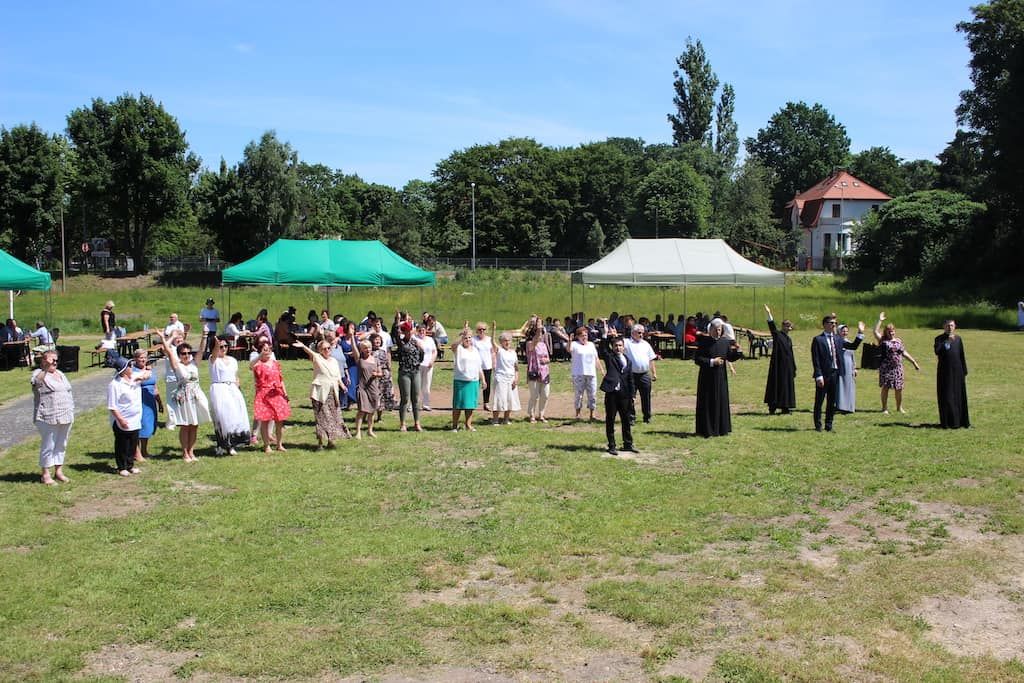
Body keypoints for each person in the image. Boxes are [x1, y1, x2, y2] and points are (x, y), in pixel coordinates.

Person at [155, 331, 211, 461]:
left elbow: (201, 350)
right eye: (183, 353)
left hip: (196, 397)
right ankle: (185, 452)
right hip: (184, 398)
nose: (186, 355)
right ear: (179, 355)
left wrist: (204, 336)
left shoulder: (194, 364)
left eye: (188, 353)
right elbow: (168, 351)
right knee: (185, 425)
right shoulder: (177, 366)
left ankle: (191, 451)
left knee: (194, 425)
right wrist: (164, 338)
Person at [294, 337, 350, 447]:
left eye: (329, 348)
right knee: (321, 417)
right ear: (320, 350)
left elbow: (337, 376)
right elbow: (311, 353)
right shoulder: (318, 358)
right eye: (324, 349)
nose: (327, 350)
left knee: (332, 417)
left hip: (332, 393)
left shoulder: (334, 361)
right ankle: (320, 442)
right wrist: (303, 346)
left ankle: (330, 441)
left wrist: (342, 386)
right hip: (320, 393)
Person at [811, 315, 865, 432]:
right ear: (825, 324)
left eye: (835, 323)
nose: (834, 325)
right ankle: (818, 425)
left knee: (832, 401)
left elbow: (853, 346)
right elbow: (816, 359)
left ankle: (829, 425)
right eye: (831, 323)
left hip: (835, 374)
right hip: (823, 375)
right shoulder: (818, 340)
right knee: (819, 401)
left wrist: (860, 333)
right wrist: (818, 375)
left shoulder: (838, 339)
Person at [30, 349, 75, 485]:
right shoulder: (39, 373)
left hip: (65, 414)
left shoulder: (60, 373)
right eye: (52, 360)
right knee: (49, 444)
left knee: (61, 444)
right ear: (44, 361)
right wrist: (45, 368)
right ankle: (45, 474)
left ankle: (59, 471)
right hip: (47, 416)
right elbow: (36, 382)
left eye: (56, 360)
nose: (54, 362)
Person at [208, 337, 252, 454]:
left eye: (225, 346)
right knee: (222, 418)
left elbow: (235, 376)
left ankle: (231, 444)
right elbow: (214, 354)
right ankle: (221, 445)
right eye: (220, 346)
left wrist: (238, 389)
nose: (223, 348)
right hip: (219, 389)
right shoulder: (213, 359)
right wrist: (216, 345)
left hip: (232, 389)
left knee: (234, 417)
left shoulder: (233, 360)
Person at [873, 312, 921, 414]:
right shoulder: (883, 341)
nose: (891, 333)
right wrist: (880, 320)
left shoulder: (898, 341)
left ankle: (899, 408)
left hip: (897, 368)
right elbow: (875, 331)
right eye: (889, 331)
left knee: (899, 388)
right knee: (885, 388)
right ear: (886, 332)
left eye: (892, 331)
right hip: (886, 369)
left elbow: (904, 353)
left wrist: (914, 362)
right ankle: (884, 408)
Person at [694, 319, 734, 437]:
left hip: (721, 378)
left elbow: (730, 356)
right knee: (708, 403)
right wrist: (712, 361)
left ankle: (722, 429)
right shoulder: (704, 342)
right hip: (707, 378)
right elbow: (697, 359)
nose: (718, 332)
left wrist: (738, 352)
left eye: (720, 330)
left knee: (721, 401)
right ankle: (707, 429)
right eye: (716, 330)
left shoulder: (724, 342)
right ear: (710, 330)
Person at [251, 340, 290, 452]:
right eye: (264, 349)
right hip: (263, 395)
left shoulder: (275, 363)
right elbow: (250, 366)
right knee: (265, 420)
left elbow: (280, 379)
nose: (267, 352)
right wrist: (260, 356)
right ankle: (266, 445)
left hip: (277, 394)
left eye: (269, 349)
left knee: (279, 421)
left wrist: (285, 393)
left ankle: (279, 444)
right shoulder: (258, 364)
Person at [107, 357, 142, 477]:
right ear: (123, 370)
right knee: (123, 444)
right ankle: (122, 467)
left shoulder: (134, 379)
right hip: (123, 419)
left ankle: (130, 465)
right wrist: (120, 419)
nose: (132, 367)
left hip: (135, 418)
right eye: (129, 366)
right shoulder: (115, 384)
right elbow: (112, 406)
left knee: (133, 443)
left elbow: (147, 374)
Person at [600, 336, 635, 455]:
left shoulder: (628, 360)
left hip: (624, 394)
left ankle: (628, 444)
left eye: (620, 345)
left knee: (626, 419)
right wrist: (605, 336)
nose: (618, 348)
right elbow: (603, 350)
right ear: (612, 347)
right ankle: (612, 445)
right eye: (616, 346)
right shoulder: (610, 357)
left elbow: (630, 378)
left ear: (624, 347)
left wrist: (632, 394)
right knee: (610, 419)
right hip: (612, 394)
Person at [935, 319, 970, 429]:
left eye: (951, 325)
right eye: (947, 326)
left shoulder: (958, 339)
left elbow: (961, 355)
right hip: (945, 372)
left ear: (955, 327)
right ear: (944, 327)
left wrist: (964, 370)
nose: (950, 327)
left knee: (959, 395)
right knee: (947, 396)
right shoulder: (939, 339)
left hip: (958, 371)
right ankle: (948, 422)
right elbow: (937, 351)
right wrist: (948, 342)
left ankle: (962, 422)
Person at [763, 304, 796, 415]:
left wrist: (793, 367)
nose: (789, 328)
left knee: (786, 387)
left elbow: (791, 354)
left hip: (787, 367)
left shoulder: (789, 339)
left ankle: (785, 407)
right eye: (787, 325)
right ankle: (772, 406)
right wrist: (769, 313)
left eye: (790, 326)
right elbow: (771, 325)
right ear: (783, 326)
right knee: (776, 385)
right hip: (778, 366)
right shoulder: (777, 335)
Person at [451, 330, 486, 431]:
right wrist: (461, 336)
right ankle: (454, 426)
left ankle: (468, 424)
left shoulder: (475, 350)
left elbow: (479, 366)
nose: (467, 339)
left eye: (469, 337)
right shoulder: (459, 348)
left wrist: (483, 379)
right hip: (460, 380)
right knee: (458, 405)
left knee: (470, 405)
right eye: (465, 338)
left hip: (473, 380)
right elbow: (453, 346)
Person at [394, 320, 425, 432]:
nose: (408, 333)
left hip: (415, 372)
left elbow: (421, 355)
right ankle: (403, 423)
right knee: (405, 398)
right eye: (406, 331)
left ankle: (417, 423)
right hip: (404, 372)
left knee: (416, 398)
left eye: (409, 330)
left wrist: (420, 351)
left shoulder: (415, 342)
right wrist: (397, 321)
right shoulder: (401, 342)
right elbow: (395, 333)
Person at [624, 324, 658, 424]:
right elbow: (616, 344)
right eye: (639, 333)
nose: (641, 335)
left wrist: (654, 373)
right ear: (633, 332)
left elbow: (651, 359)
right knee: (630, 397)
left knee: (646, 397)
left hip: (644, 375)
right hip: (631, 375)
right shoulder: (627, 343)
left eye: (643, 333)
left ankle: (647, 417)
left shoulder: (646, 344)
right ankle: (631, 417)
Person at [131, 348, 160, 463]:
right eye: (140, 357)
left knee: (148, 426)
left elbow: (155, 387)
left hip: (150, 401)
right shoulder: (133, 371)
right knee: (140, 427)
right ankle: (136, 453)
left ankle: (144, 450)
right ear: (135, 359)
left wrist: (159, 402)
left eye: (145, 357)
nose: (143, 360)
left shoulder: (149, 370)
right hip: (139, 401)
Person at [569, 326, 602, 421]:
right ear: (578, 337)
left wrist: (601, 370)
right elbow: (569, 350)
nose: (584, 337)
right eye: (582, 335)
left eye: (586, 335)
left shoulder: (591, 345)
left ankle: (592, 414)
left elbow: (596, 358)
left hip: (591, 373)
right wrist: (569, 340)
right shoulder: (574, 344)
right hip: (578, 373)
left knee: (592, 394)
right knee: (578, 395)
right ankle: (578, 414)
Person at [491, 332, 521, 424]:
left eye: (509, 340)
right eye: (505, 341)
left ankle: (506, 419)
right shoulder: (499, 350)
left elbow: (516, 368)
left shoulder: (513, 353)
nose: (507, 342)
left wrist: (516, 379)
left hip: (511, 378)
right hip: (501, 377)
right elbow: (492, 342)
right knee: (499, 399)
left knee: (510, 399)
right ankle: (495, 420)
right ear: (501, 342)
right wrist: (493, 331)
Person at [353, 340, 382, 439]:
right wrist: (352, 336)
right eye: (365, 348)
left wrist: (376, 374)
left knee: (372, 411)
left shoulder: (375, 360)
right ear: (361, 349)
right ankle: (358, 432)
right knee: (361, 411)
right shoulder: (359, 359)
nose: (368, 349)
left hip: (373, 388)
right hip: (362, 388)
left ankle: (370, 431)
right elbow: (354, 348)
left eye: (369, 347)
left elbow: (380, 373)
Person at [525, 319, 551, 423]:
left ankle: (541, 414)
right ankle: (531, 414)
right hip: (534, 371)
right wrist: (539, 328)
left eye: (541, 334)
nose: (541, 336)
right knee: (534, 395)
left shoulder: (543, 345)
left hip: (544, 372)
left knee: (545, 394)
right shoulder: (529, 343)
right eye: (539, 334)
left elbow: (548, 358)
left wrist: (546, 360)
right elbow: (534, 342)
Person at [370, 332, 395, 421]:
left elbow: (387, 363)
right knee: (373, 396)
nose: (378, 341)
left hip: (384, 375)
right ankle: (368, 416)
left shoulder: (383, 351)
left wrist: (389, 373)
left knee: (382, 396)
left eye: (379, 340)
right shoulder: (369, 352)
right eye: (376, 339)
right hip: (374, 376)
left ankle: (379, 417)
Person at [472, 322, 496, 411]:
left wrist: (493, 363)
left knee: (487, 385)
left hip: (487, 366)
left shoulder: (489, 340)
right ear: (476, 330)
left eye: (483, 329)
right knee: (475, 385)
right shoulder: (473, 340)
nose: (481, 331)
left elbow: (493, 352)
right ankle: (473, 402)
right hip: (476, 366)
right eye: (479, 329)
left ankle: (486, 403)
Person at [835, 324, 858, 414]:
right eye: (843, 331)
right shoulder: (837, 342)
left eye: (846, 331)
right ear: (839, 332)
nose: (845, 333)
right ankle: (840, 406)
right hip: (841, 366)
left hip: (849, 366)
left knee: (849, 386)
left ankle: (849, 406)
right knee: (840, 386)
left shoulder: (848, 342)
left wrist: (854, 368)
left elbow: (852, 356)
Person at [415, 323, 437, 411]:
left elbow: (434, 352)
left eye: (423, 330)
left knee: (426, 385)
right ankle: (415, 404)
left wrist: (432, 361)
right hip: (418, 365)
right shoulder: (414, 338)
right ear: (417, 331)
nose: (422, 332)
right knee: (417, 385)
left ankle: (426, 404)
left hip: (428, 365)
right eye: (420, 330)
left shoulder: (430, 340)